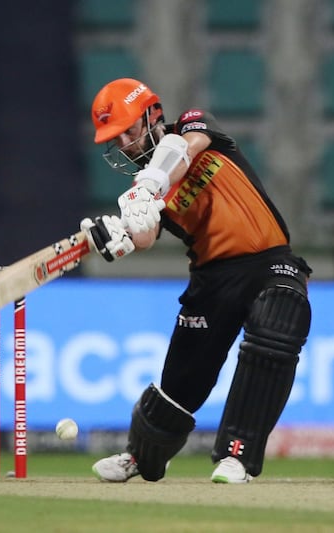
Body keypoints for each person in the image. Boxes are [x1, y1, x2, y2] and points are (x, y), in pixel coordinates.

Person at [79, 78, 312, 484]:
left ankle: (236, 456)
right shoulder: (140, 193)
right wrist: (116, 237)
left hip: (269, 263)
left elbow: (184, 149)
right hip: (211, 279)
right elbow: (145, 237)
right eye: (116, 141)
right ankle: (142, 454)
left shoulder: (193, 125)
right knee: (184, 380)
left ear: (153, 115)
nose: (125, 146)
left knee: (279, 320)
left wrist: (150, 187)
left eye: (129, 132)